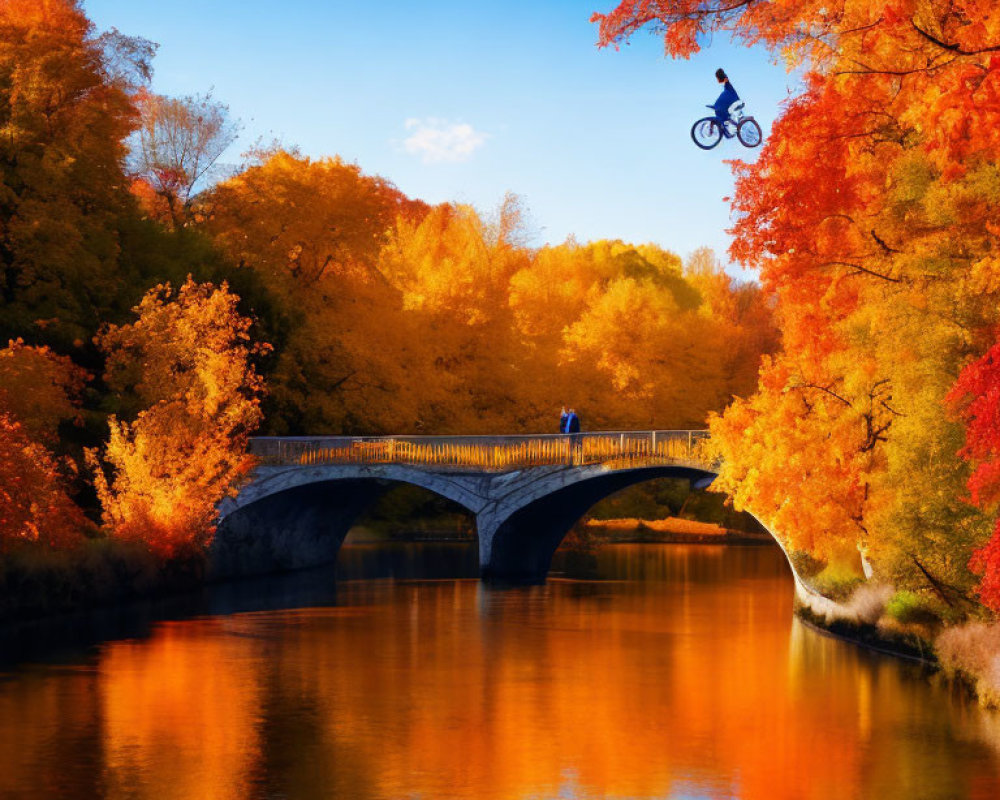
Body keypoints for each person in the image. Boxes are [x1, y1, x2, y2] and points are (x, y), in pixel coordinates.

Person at [712, 68, 740, 137]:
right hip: (731, 100)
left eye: (717, 78)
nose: (717, 80)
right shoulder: (725, 85)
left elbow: (726, 80)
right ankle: (728, 128)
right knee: (721, 115)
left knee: (720, 109)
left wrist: (724, 77)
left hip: (733, 100)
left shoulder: (726, 82)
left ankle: (730, 126)